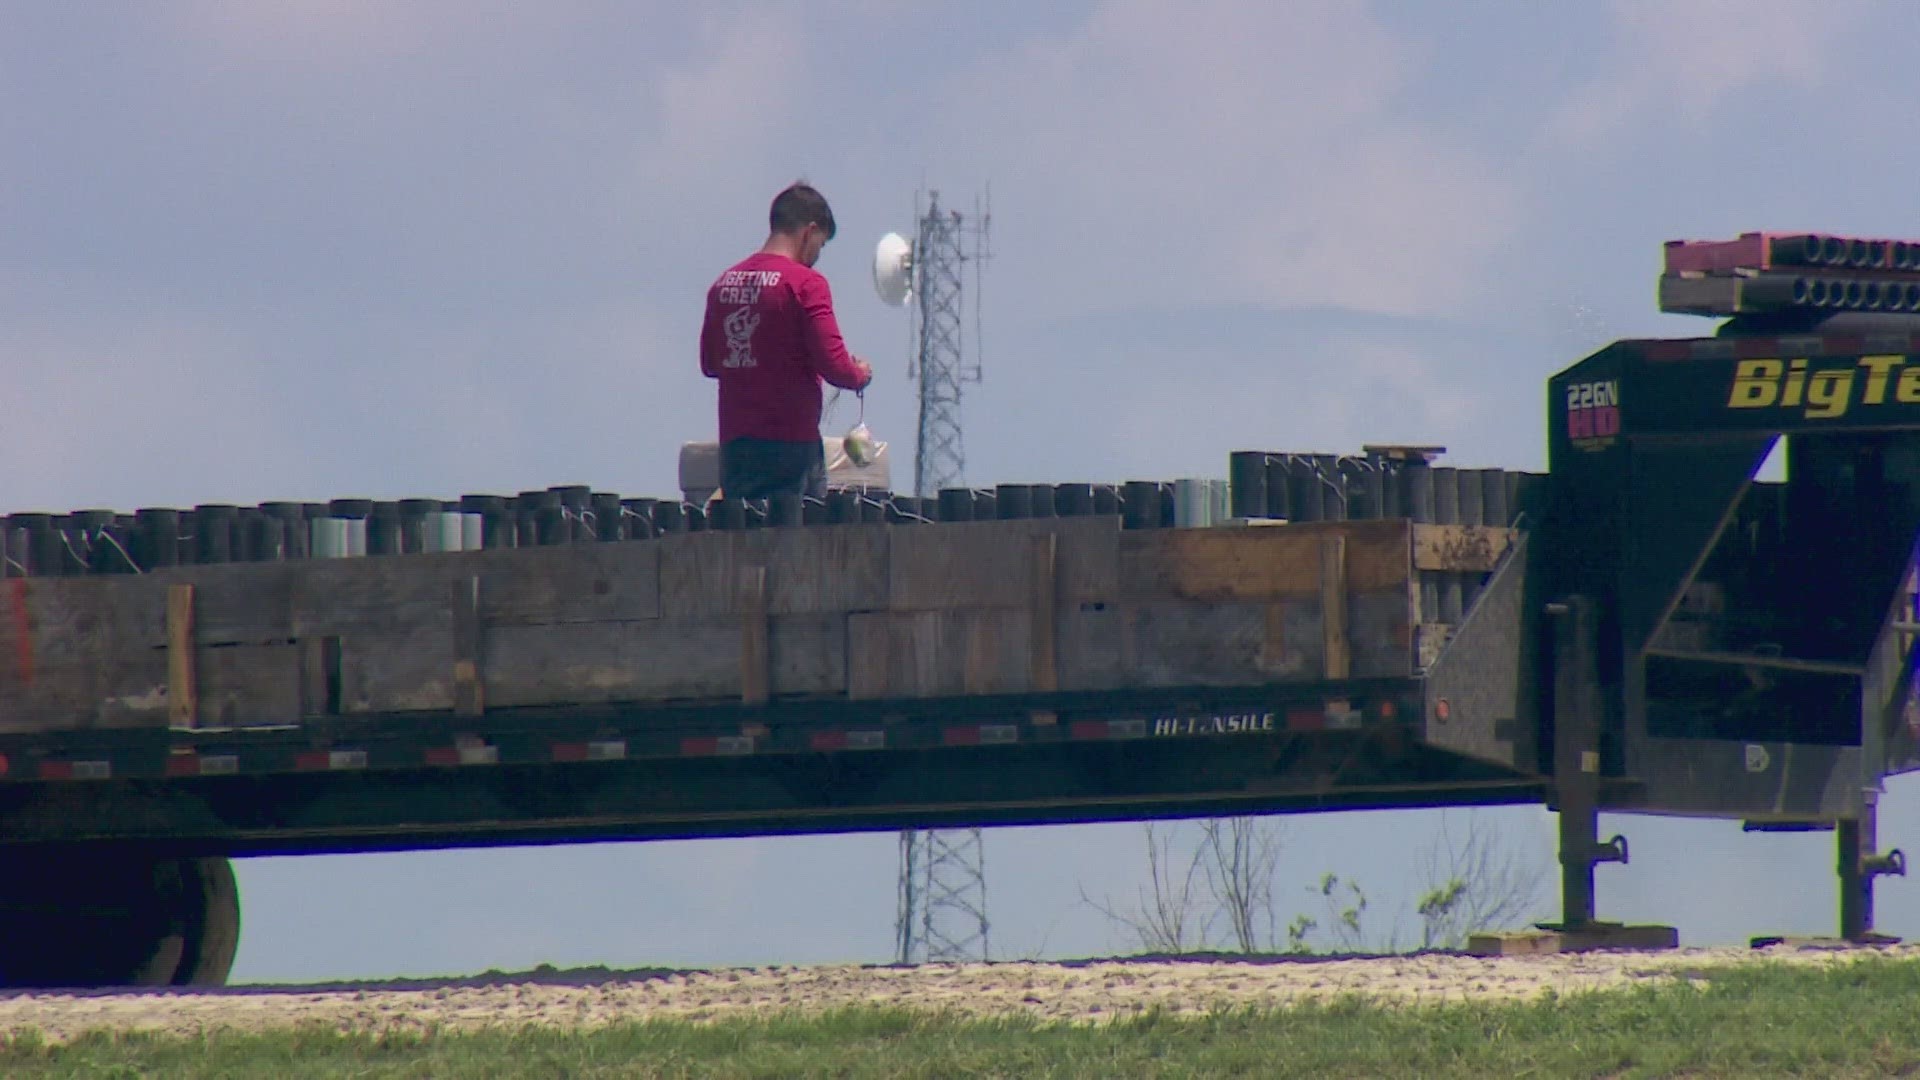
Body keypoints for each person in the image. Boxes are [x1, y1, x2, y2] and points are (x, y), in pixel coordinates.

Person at [699, 182, 874, 501]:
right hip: (791, 447)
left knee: (744, 539)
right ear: (809, 232)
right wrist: (860, 373)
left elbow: (711, 364)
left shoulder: (722, 285)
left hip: (737, 447)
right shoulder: (806, 284)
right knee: (797, 543)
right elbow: (834, 365)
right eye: (820, 245)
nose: (817, 257)